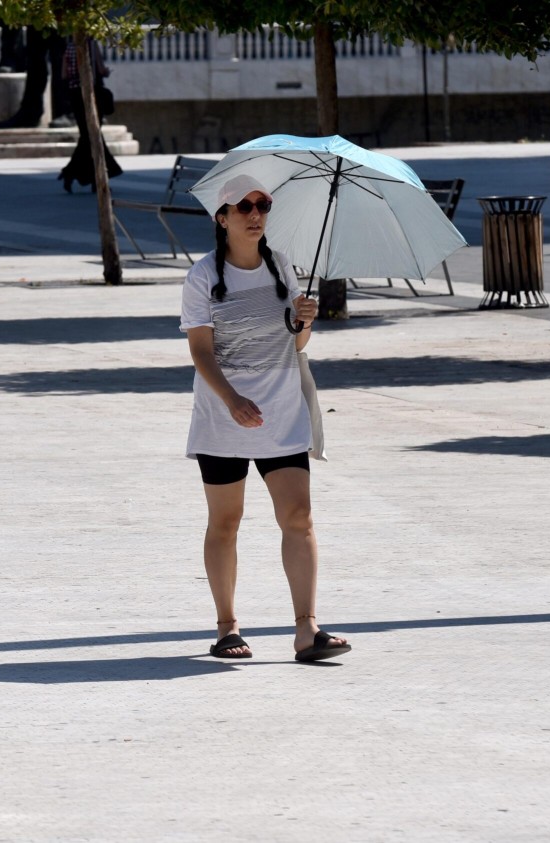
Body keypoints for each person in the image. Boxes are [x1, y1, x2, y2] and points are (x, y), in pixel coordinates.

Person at [180, 174, 351, 663]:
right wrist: (232, 399)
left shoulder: (280, 266)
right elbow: (200, 352)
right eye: (244, 207)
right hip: (222, 417)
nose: (256, 214)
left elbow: (295, 345)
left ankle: (306, 630)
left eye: (263, 205)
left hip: (281, 413)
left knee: (299, 517)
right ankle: (227, 628)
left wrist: (304, 323)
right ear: (223, 218)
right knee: (226, 521)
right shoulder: (203, 277)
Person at [57, 36, 121, 193]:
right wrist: (105, 72)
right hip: (92, 94)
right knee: (92, 136)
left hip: (75, 96)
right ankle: (74, 173)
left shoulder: (70, 47)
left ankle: (90, 178)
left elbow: (64, 74)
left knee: (88, 137)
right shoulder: (91, 46)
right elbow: (100, 70)